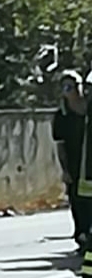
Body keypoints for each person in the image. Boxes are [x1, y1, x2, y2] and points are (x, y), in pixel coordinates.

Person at [51, 69, 90, 246]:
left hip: (90, 162)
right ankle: (81, 235)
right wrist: (65, 170)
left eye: (72, 86)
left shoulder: (89, 110)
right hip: (75, 165)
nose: (70, 91)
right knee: (77, 200)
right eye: (65, 87)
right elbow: (60, 145)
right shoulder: (61, 117)